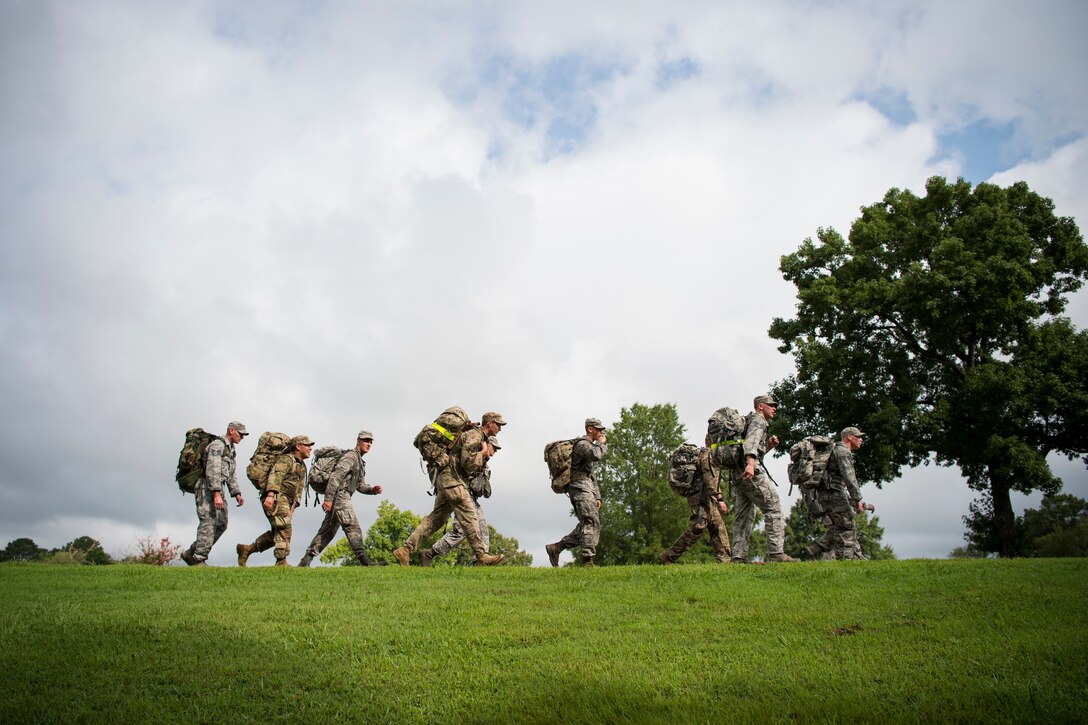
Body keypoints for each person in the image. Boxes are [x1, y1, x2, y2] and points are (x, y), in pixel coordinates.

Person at [393, 413, 505, 566]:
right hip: (453, 480)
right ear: (490, 423)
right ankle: (481, 555)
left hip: (446, 478)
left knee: (436, 519)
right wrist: (483, 453)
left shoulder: (476, 436)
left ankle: (405, 550)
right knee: (469, 515)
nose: (500, 428)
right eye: (498, 425)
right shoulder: (475, 435)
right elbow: (467, 462)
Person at [297, 431, 384, 567]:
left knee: (327, 532)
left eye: (371, 442)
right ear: (358, 441)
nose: (369, 444)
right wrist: (328, 499)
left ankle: (305, 561)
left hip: (342, 495)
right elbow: (335, 477)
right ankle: (366, 561)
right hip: (340, 495)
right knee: (352, 527)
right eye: (366, 441)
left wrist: (372, 490)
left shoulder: (360, 461)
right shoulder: (351, 457)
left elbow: (360, 485)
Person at [731, 395, 797, 563]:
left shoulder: (748, 422)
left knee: (743, 516)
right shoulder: (759, 420)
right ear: (761, 406)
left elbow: (751, 448)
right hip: (751, 472)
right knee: (773, 507)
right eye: (771, 405)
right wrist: (751, 465)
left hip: (738, 474)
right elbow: (751, 444)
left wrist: (768, 446)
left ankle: (738, 557)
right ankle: (776, 554)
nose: (774, 408)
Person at [419, 435, 501, 566]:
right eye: (494, 449)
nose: (494, 452)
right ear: (486, 445)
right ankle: (429, 554)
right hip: (460, 496)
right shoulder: (472, 455)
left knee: (482, 527)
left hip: (469, 497)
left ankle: (480, 561)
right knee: (461, 531)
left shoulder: (482, 460)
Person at [237, 434, 313, 567]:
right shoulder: (286, 459)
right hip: (277, 498)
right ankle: (281, 561)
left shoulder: (300, 464)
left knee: (277, 532)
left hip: (286, 501)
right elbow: (275, 476)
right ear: (298, 446)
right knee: (284, 527)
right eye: (307, 445)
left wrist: (294, 505)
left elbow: (299, 487)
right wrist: (271, 495)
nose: (310, 449)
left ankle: (247, 550)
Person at [181, 421, 248, 566]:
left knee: (222, 523)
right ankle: (199, 559)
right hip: (207, 487)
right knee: (208, 521)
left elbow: (230, 473)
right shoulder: (218, 446)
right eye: (240, 434)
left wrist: (236, 492)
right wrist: (216, 493)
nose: (242, 437)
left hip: (218, 488)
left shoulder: (230, 450)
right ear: (231, 431)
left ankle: (191, 553)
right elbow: (212, 470)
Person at [546, 417, 609, 567]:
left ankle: (557, 547)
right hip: (579, 487)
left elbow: (591, 474)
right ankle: (587, 560)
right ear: (590, 429)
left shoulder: (588, 445)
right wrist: (602, 443)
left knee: (587, 523)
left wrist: (597, 496)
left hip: (587, 488)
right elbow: (596, 455)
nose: (601, 432)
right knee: (590, 521)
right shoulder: (582, 444)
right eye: (598, 429)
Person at [659, 436, 731, 564]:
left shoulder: (708, 455)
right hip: (701, 499)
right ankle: (669, 556)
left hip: (705, 498)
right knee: (698, 527)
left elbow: (713, 480)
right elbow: (710, 480)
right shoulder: (707, 456)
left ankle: (725, 560)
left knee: (717, 526)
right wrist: (720, 499)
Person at [806, 427, 867, 560]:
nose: (861, 439)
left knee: (839, 525)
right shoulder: (843, 451)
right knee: (846, 526)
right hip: (834, 493)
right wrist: (858, 499)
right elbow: (849, 476)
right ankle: (845, 559)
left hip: (824, 494)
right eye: (858, 436)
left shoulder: (833, 450)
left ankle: (855, 558)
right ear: (849, 437)